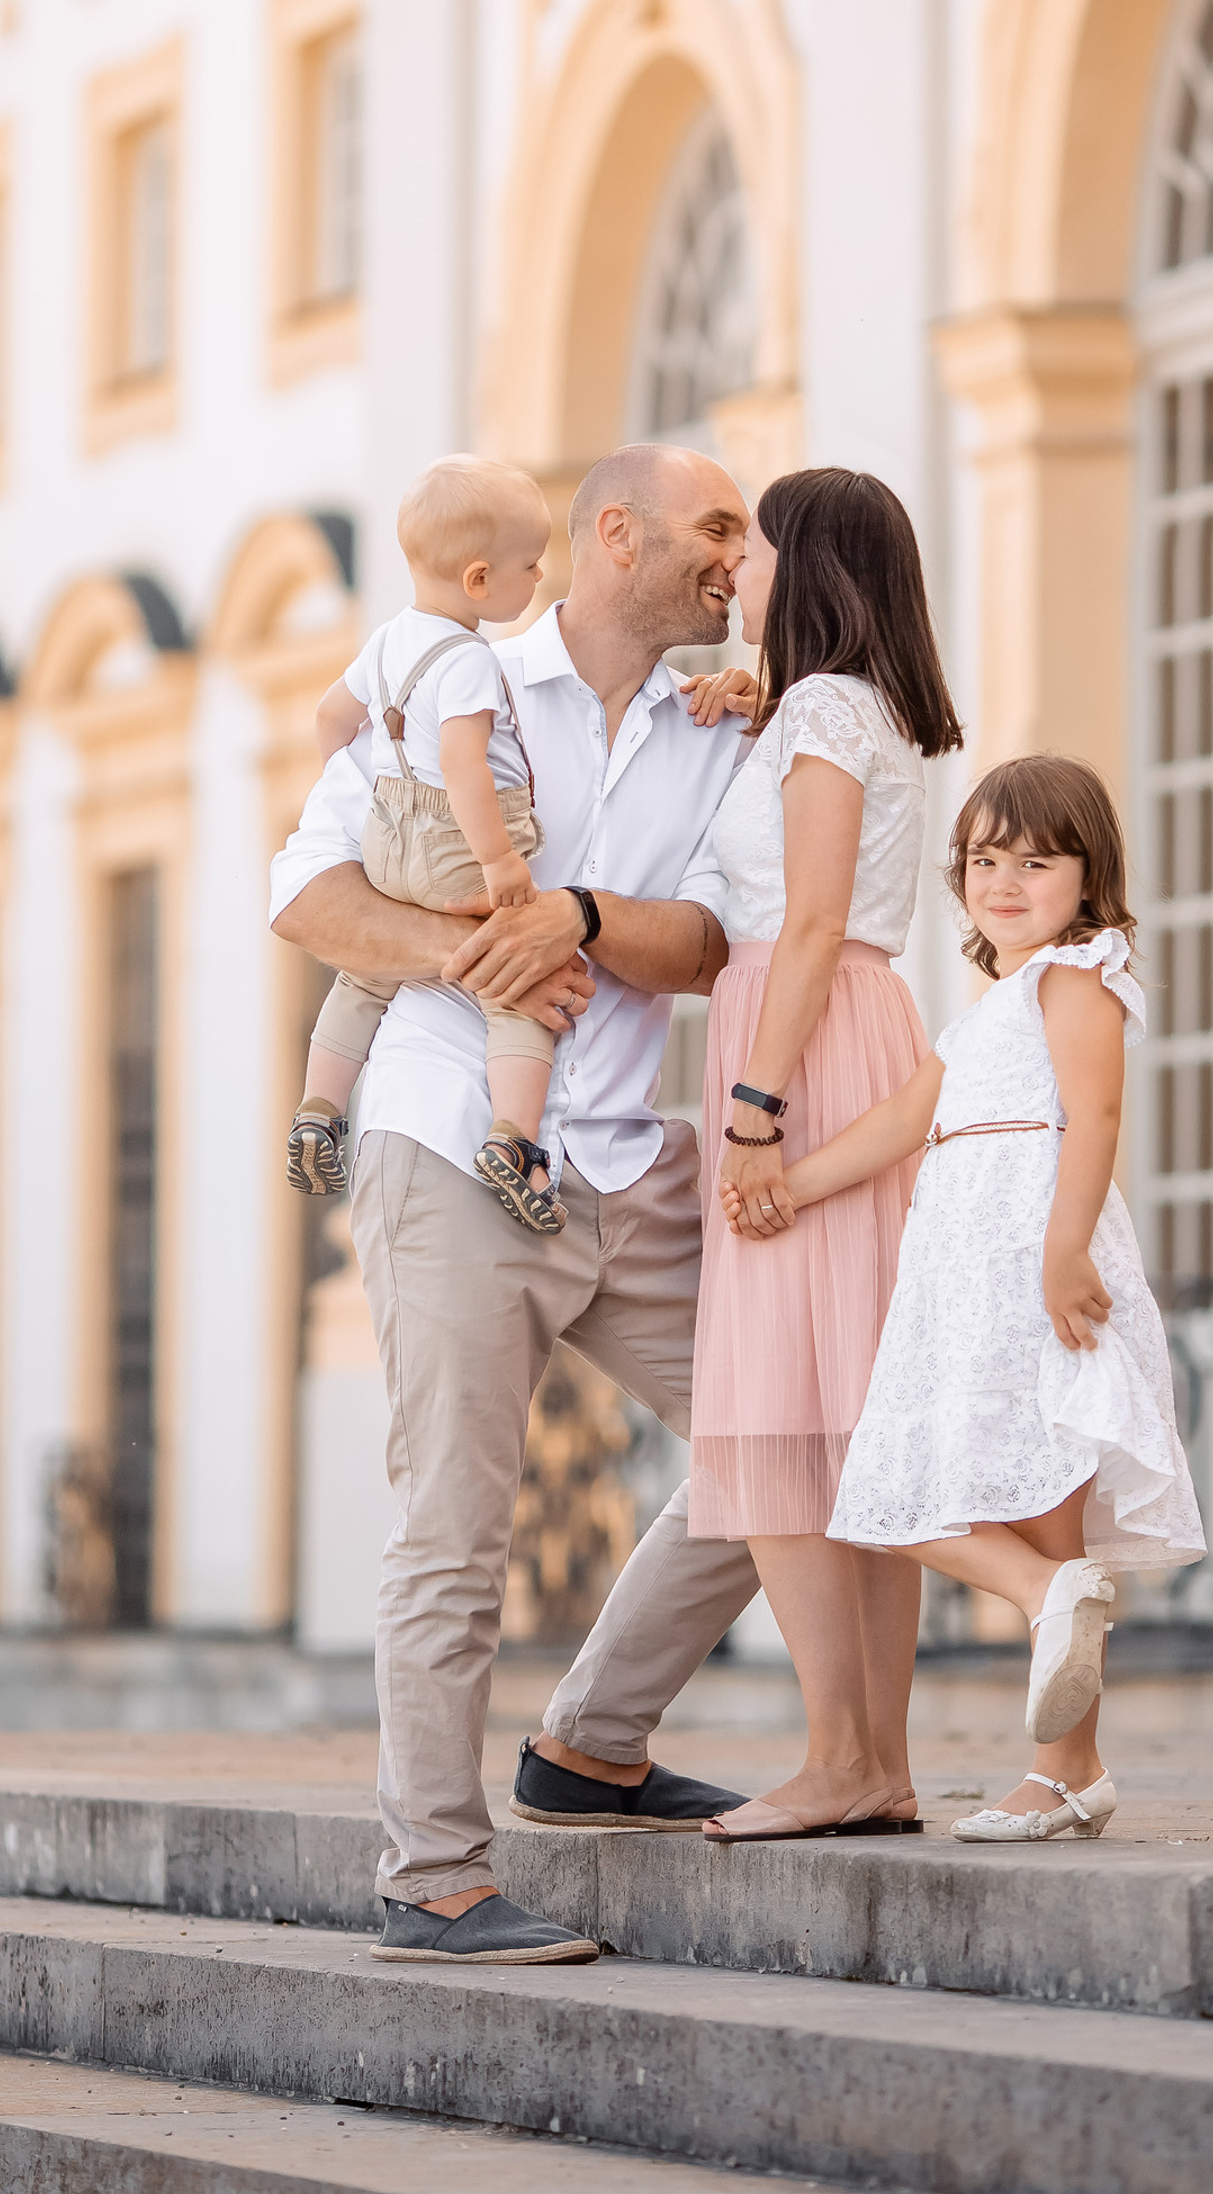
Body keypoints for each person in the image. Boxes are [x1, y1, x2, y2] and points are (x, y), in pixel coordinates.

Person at [269, 444, 765, 1965]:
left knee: (790, 1439)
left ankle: (593, 1746)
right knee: (457, 1527)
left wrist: (586, 923)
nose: (738, 559)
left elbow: (713, 948)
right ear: (616, 538)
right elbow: (306, 890)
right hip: (452, 1143)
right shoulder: (449, 678)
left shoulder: (718, 721)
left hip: (629, 1156)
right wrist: (467, 953)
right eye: (718, 529)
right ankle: (431, 1875)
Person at [728, 754, 1205, 1843]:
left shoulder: (1079, 974)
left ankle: (1059, 1764)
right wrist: (786, 1186)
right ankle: (1064, 1708)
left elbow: (1093, 1118)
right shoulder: (993, 1004)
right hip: (961, 1268)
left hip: (1036, 1253)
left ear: (1089, 878)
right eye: (985, 860)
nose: (1005, 881)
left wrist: (1065, 1250)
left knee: (1037, 1511)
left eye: (1036, 862)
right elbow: (905, 1121)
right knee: (932, 1497)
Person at [687, 467, 963, 1844]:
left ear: (810, 569)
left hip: (798, 1041)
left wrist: (751, 1111)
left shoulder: (819, 710)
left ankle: (838, 1758)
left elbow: (800, 924)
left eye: (755, 544)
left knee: (784, 1408)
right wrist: (747, 701)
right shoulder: (859, 710)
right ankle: (876, 1761)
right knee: (848, 1405)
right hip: (848, 1025)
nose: (734, 565)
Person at [285, 455, 569, 1231]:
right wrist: (500, 863)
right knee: (514, 985)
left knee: (364, 977)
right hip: (458, 841)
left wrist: (371, 790)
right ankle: (512, 1141)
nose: (541, 576)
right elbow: (465, 767)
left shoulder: (387, 640)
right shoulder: (471, 660)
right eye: (529, 565)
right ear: (478, 580)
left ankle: (318, 1111)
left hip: (389, 833)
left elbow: (328, 719)